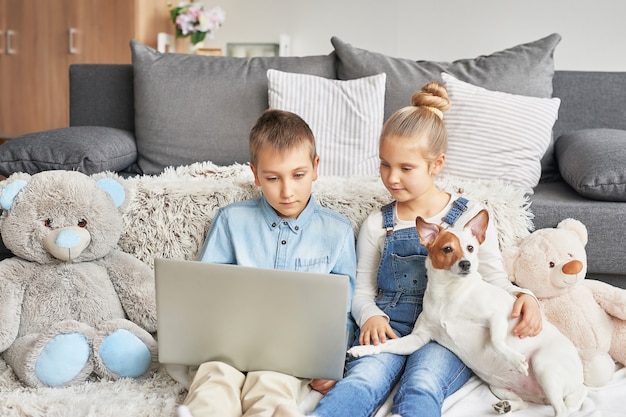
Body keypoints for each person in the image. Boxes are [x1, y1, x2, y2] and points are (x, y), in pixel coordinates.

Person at [273, 82, 543, 417]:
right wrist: (370, 315)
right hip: (393, 326)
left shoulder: (470, 215)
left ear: (436, 164)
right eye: (385, 164)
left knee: (424, 382)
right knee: (363, 380)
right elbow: (360, 290)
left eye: (405, 168)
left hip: (452, 332)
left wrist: (524, 295)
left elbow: (493, 278)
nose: (392, 178)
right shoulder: (378, 224)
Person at [176, 109, 357, 417]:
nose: (287, 191)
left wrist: (332, 360)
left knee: (273, 382)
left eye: (298, 175)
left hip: (290, 355)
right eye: (272, 178)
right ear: (256, 174)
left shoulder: (337, 232)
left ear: (315, 167)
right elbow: (203, 297)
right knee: (214, 377)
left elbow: (344, 311)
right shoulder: (232, 220)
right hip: (229, 347)